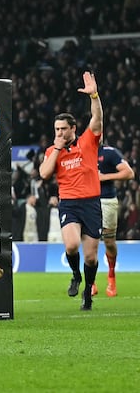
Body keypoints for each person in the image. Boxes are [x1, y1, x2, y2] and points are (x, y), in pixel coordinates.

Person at [38, 71, 102, 311]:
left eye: (63, 129)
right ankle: (76, 275)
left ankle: (88, 289)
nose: (59, 133)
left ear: (73, 128)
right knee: (72, 245)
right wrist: (56, 147)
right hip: (69, 203)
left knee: (91, 257)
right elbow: (44, 174)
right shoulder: (52, 151)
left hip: (91, 203)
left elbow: (97, 119)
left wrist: (94, 95)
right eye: (56, 129)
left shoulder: (87, 141)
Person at [95, 143, 135, 297]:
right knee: (89, 242)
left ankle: (111, 275)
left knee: (109, 242)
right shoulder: (81, 150)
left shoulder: (110, 152)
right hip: (86, 201)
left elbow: (129, 173)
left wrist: (105, 177)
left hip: (106, 200)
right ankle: (91, 282)